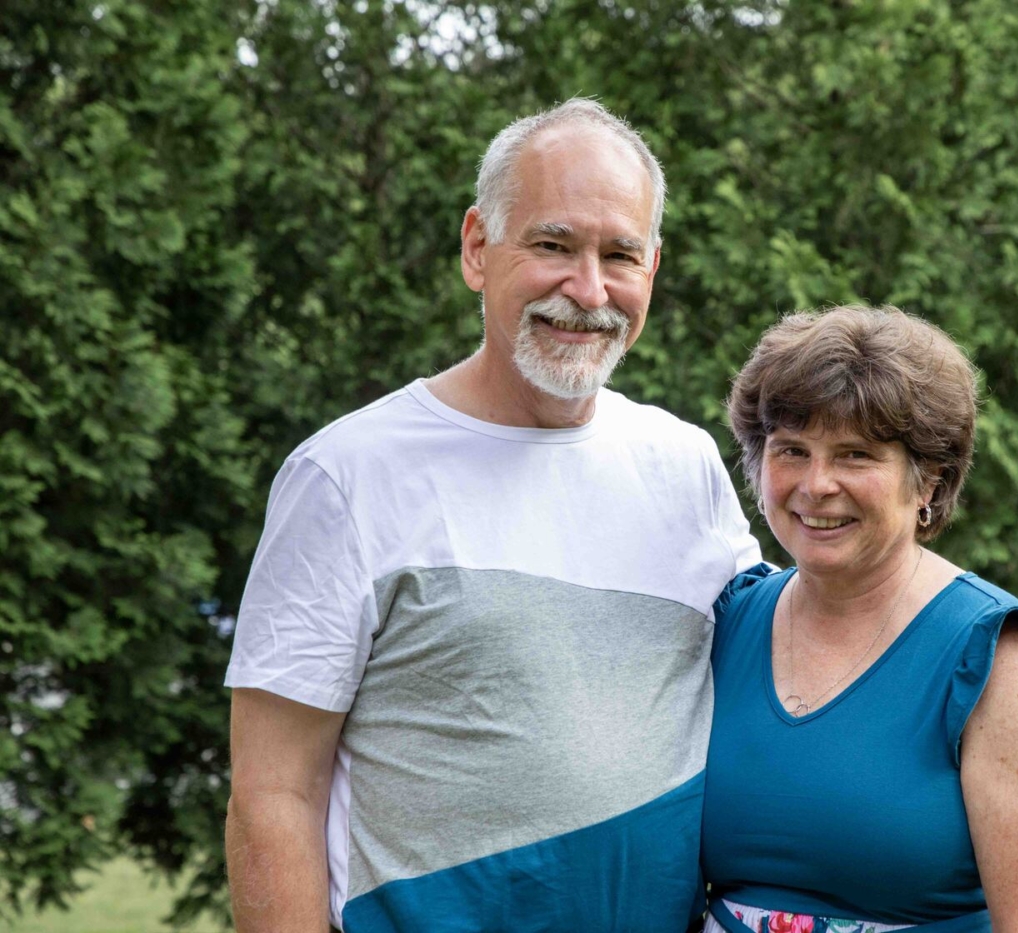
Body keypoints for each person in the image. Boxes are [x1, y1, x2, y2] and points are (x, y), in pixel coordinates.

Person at [223, 99, 761, 933]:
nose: (588, 291)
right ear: (478, 247)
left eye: (619, 254)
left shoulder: (685, 465)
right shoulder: (346, 475)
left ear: (653, 267)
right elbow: (272, 795)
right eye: (553, 245)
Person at [701, 305, 1018, 933]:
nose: (817, 484)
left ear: (930, 484)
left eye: (855, 455)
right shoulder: (726, 623)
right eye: (792, 450)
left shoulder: (999, 664)